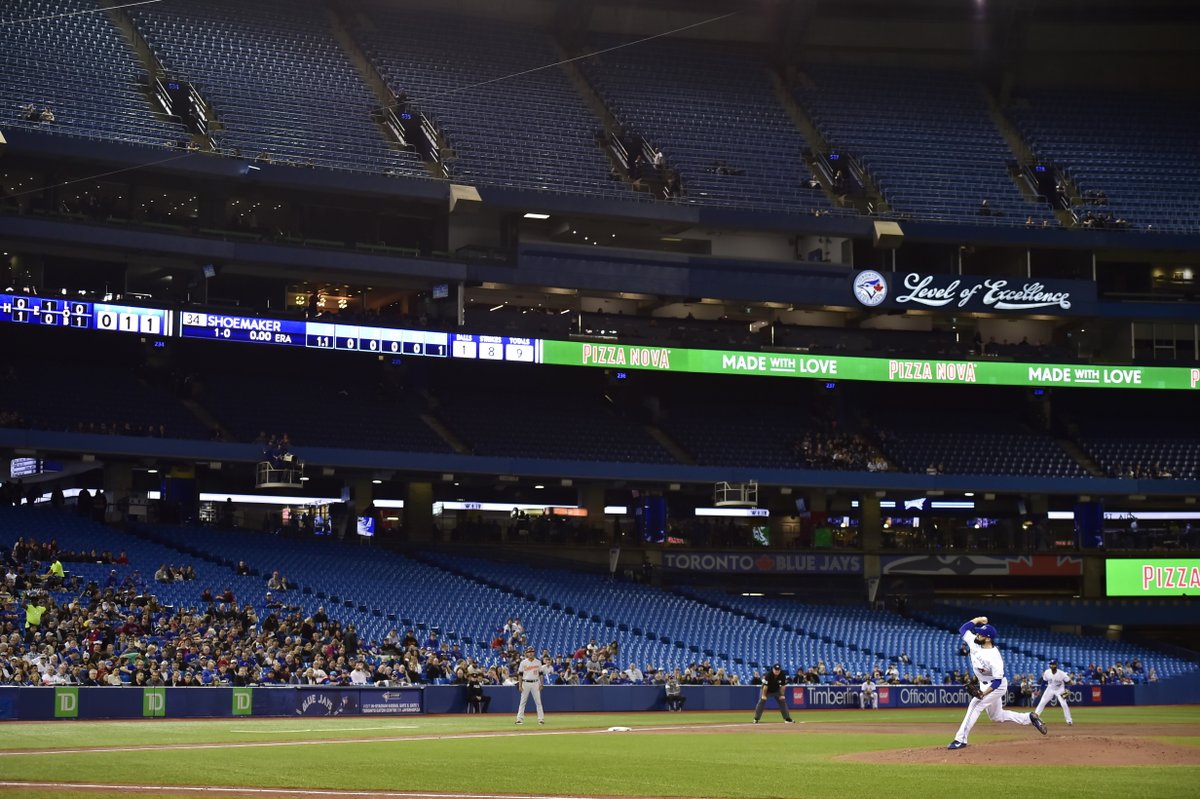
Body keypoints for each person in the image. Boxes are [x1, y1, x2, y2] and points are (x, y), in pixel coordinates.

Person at [947, 616, 1047, 750]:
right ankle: (1029, 718)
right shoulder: (974, 641)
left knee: (975, 706)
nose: (977, 635)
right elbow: (963, 629)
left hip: (996, 686)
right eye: (977, 632)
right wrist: (978, 619)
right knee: (996, 716)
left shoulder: (994, 657)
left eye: (980, 634)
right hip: (984, 683)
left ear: (988, 638)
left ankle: (960, 739)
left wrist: (983, 693)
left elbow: (997, 681)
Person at [514, 645, 547, 725]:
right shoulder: (523, 662)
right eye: (529, 652)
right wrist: (520, 685)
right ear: (527, 653)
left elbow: (541, 674)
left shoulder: (538, 662)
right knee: (522, 702)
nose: (531, 653)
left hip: (535, 683)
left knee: (538, 702)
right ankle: (519, 719)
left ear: (534, 653)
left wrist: (541, 684)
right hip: (525, 683)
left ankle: (541, 719)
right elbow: (520, 675)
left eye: (532, 652)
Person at [1034, 659, 1074, 725]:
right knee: (1042, 702)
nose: (1052, 665)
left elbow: (1069, 682)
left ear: (1056, 665)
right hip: (1050, 688)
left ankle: (1069, 720)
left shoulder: (1062, 674)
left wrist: (1068, 690)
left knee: (1063, 704)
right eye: (1051, 664)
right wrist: (1040, 690)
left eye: (1053, 664)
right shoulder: (1047, 672)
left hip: (1060, 689)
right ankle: (1035, 718)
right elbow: (1044, 682)